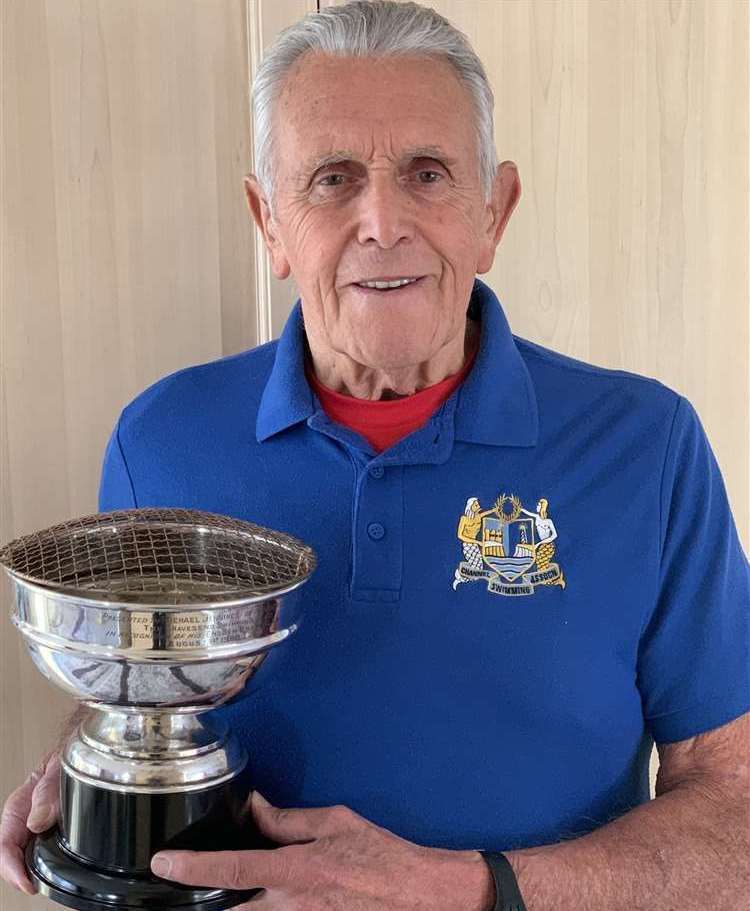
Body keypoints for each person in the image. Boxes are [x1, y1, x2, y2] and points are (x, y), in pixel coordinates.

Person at [2, 2, 748, 909]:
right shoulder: (160, 440)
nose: (381, 221)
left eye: (427, 174)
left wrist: (476, 888)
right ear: (268, 222)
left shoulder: (647, 445)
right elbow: (145, 691)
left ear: (493, 210)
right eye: (332, 179)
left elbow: (736, 815)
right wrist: (85, 774)